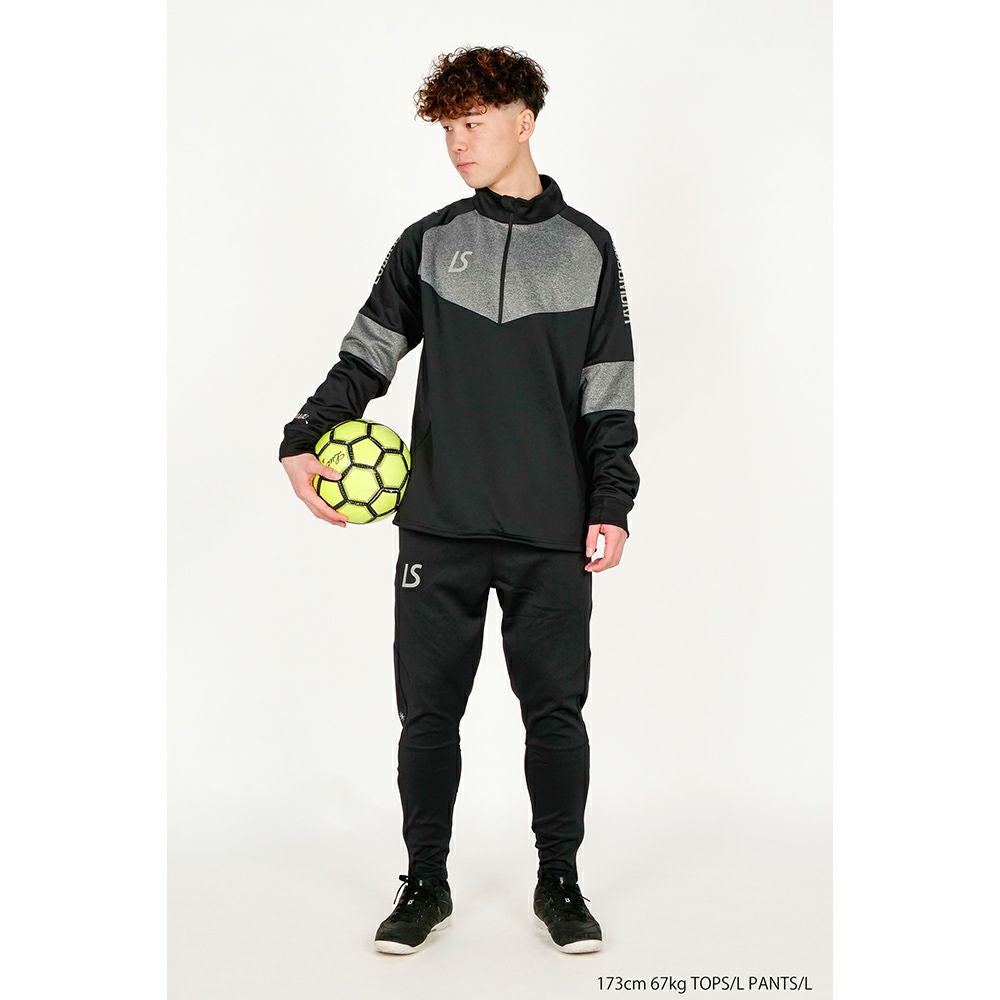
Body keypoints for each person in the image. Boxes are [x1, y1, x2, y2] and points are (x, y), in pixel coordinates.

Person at [278, 44, 639, 955]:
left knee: (554, 714)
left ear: (524, 120)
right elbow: (367, 352)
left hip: (551, 526)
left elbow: (608, 389)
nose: (458, 145)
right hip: (438, 522)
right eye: (447, 129)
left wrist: (611, 499)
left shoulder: (589, 248)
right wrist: (304, 433)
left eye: (472, 124)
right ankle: (424, 882)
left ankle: (560, 882)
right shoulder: (429, 242)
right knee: (427, 717)